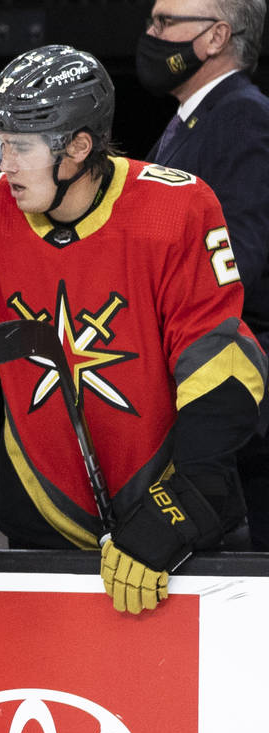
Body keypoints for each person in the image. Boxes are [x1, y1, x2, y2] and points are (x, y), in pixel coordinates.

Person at [0, 45, 266, 614]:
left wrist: (182, 504)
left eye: (21, 146)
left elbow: (221, 365)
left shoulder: (176, 209)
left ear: (79, 147)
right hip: (43, 518)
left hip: (179, 522)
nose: (4, 163)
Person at [138, 0, 269, 548]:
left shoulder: (241, 115)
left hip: (229, 378)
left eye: (166, 22)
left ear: (216, 37)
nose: (150, 33)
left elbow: (239, 256)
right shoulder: (198, 115)